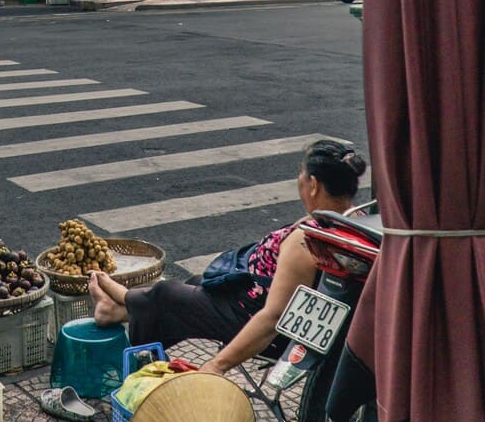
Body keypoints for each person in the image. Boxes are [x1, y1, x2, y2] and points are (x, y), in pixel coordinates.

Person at [88, 138, 367, 376]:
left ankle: (124, 305)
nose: (299, 181)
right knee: (195, 284)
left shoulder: (306, 242)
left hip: (250, 317)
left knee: (166, 295)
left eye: (301, 175)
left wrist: (217, 365)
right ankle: (117, 309)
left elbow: (273, 317)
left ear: (314, 185)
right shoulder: (356, 219)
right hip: (244, 292)